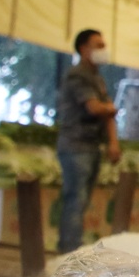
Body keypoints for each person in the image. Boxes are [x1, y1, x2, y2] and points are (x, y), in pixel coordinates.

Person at [56, 28, 118, 251]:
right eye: (98, 45)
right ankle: (69, 249)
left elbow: (107, 112)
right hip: (75, 146)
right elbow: (95, 108)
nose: (104, 50)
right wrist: (109, 108)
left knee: (81, 200)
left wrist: (113, 142)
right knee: (76, 199)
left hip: (90, 147)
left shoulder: (97, 79)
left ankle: (72, 246)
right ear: (83, 48)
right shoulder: (77, 75)